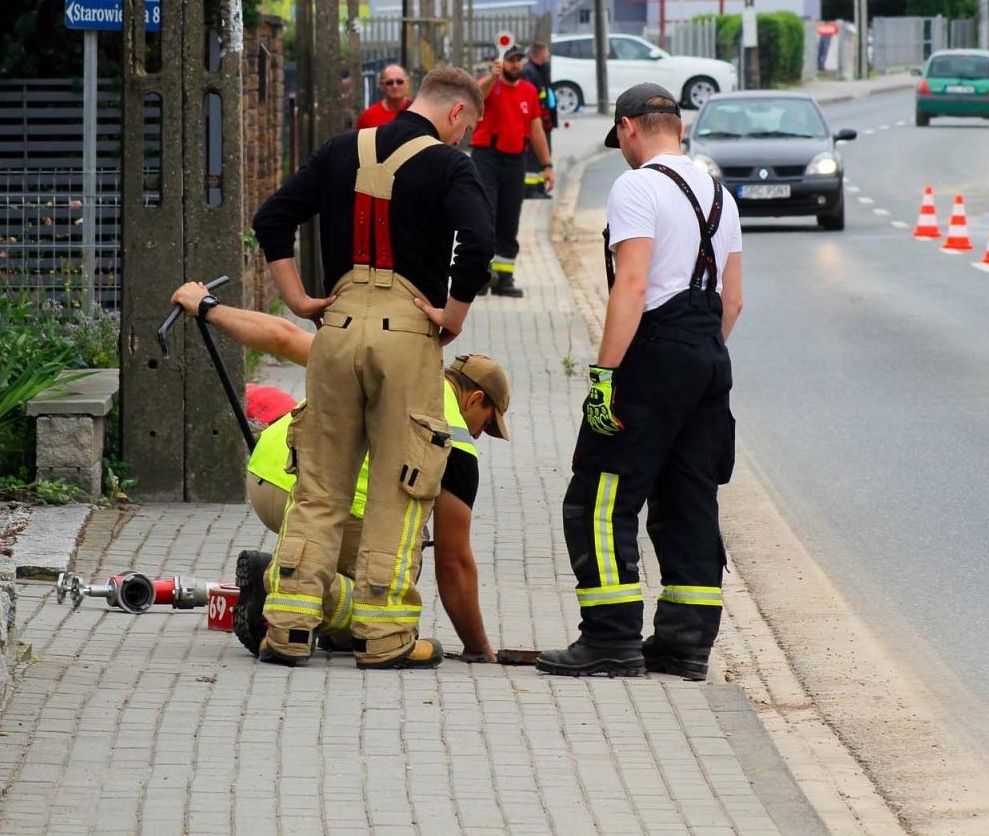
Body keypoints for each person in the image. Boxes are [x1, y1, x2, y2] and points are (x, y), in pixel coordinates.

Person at [250, 65, 494, 671]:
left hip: (336, 330)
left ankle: (286, 628)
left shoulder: (340, 148)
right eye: (465, 130)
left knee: (320, 484)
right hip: (408, 334)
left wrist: (299, 300)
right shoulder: (450, 165)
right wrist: (453, 313)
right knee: (398, 484)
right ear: (457, 114)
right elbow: (480, 238)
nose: (461, 141)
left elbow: (272, 218)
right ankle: (384, 638)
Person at [167, 282, 509, 662]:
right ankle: (281, 584)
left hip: (271, 477)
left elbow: (282, 335)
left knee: (368, 576)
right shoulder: (457, 443)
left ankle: (303, 601)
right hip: (337, 503)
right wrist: (479, 649)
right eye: (487, 424)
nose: (480, 434)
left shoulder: (383, 361)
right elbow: (454, 562)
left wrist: (208, 307)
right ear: (475, 399)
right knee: (391, 584)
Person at [536, 83, 743, 681]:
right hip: (707, 355)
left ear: (629, 128)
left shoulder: (636, 186)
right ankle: (685, 645)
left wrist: (604, 375)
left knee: (599, 499)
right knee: (688, 502)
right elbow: (734, 300)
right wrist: (696, 361)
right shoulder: (720, 194)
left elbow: (631, 284)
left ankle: (610, 639)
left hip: (652, 352)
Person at [473, 44, 554, 297]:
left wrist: (547, 165)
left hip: (515, 159)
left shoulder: (529, 91)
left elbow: (536, 129)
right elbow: (475, 97)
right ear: (501, 62)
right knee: (485, 216)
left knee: (509, 220)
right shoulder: (490, 85)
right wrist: (492, 78)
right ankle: (478, 276)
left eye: (519, 60)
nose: (516, 65)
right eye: (511, 60)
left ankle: (503, 279)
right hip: (487, 156)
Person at [520, 42, 558, 199]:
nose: (548, 56)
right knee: (534, 156)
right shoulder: (529, 72)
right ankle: (530, 189)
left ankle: (541, 187)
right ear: (539, 54)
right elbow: (531, 98)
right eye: (546, 53)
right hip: (537, 121)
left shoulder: (542, 69)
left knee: (544, 153)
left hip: (545, 121)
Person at [357, 63, 413, 129]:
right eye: (389, 82)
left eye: (399, 81)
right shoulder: (368, 117)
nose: (395, 86)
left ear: (408, 83)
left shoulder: (418, 112)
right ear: (381, 85)